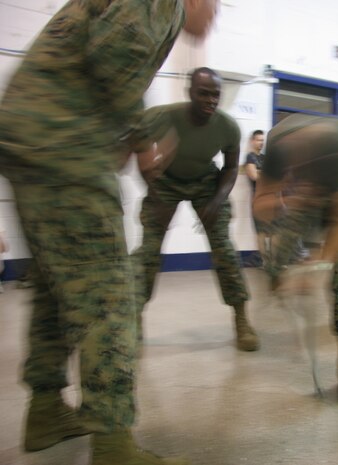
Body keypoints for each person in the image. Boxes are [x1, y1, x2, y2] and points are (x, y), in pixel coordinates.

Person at [0, 1, 219, 463]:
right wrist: (142, 142)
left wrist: (119, 137)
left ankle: (45, 411)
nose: (213, 17)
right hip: (65, 148)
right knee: (112, 296)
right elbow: (114, 59)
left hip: (33, 140)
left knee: (56, 287)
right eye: (215, 5)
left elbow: (98, 60)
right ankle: (113, 442)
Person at [134, 67, 258, 352]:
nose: (211, 100)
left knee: (225, 250)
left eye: (216, 95)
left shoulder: (227, 126)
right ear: (190, 92)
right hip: (164, 182)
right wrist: (152, 189)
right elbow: (138, 145)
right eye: (204, 93)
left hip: (205, 183)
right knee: (147, 254)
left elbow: (229, 168)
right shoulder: (163, 116)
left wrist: (216, 200)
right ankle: (134, 319)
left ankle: (241, 319)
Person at [253, 114, 338, 403]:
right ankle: (277, 281)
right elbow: (263, 201)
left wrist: (319, 264)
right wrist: (277, 262)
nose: (294, 160)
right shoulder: (279, 144)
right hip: (306, 194)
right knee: (280, 252)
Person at [243, 129, 272, 266]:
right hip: (257, 199)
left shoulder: (265, 158)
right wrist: (263, 173)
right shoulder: (250, 157)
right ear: (252, 141)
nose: (261, 143)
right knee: (260, 231)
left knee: (271, 231)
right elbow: (253, 176)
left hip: (269, 199)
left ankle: (271, 259)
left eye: (262, 140)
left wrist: (261, 172)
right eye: (259, 140)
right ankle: (263, 260)